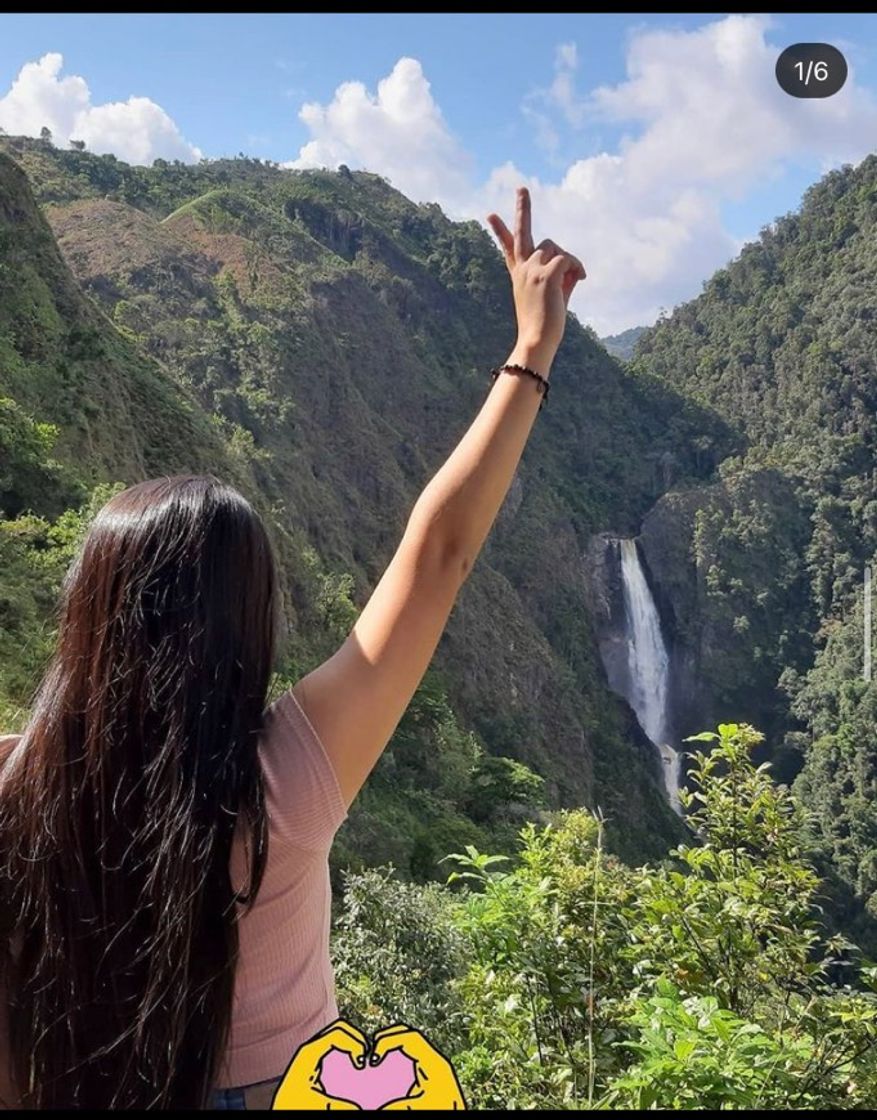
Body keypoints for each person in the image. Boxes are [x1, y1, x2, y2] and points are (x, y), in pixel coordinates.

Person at [0, 188, 585, 1110]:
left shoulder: (15, 793)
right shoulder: (286, 782)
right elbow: (436, 558)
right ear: (247, 623)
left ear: (87, 612)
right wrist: (531, 350)